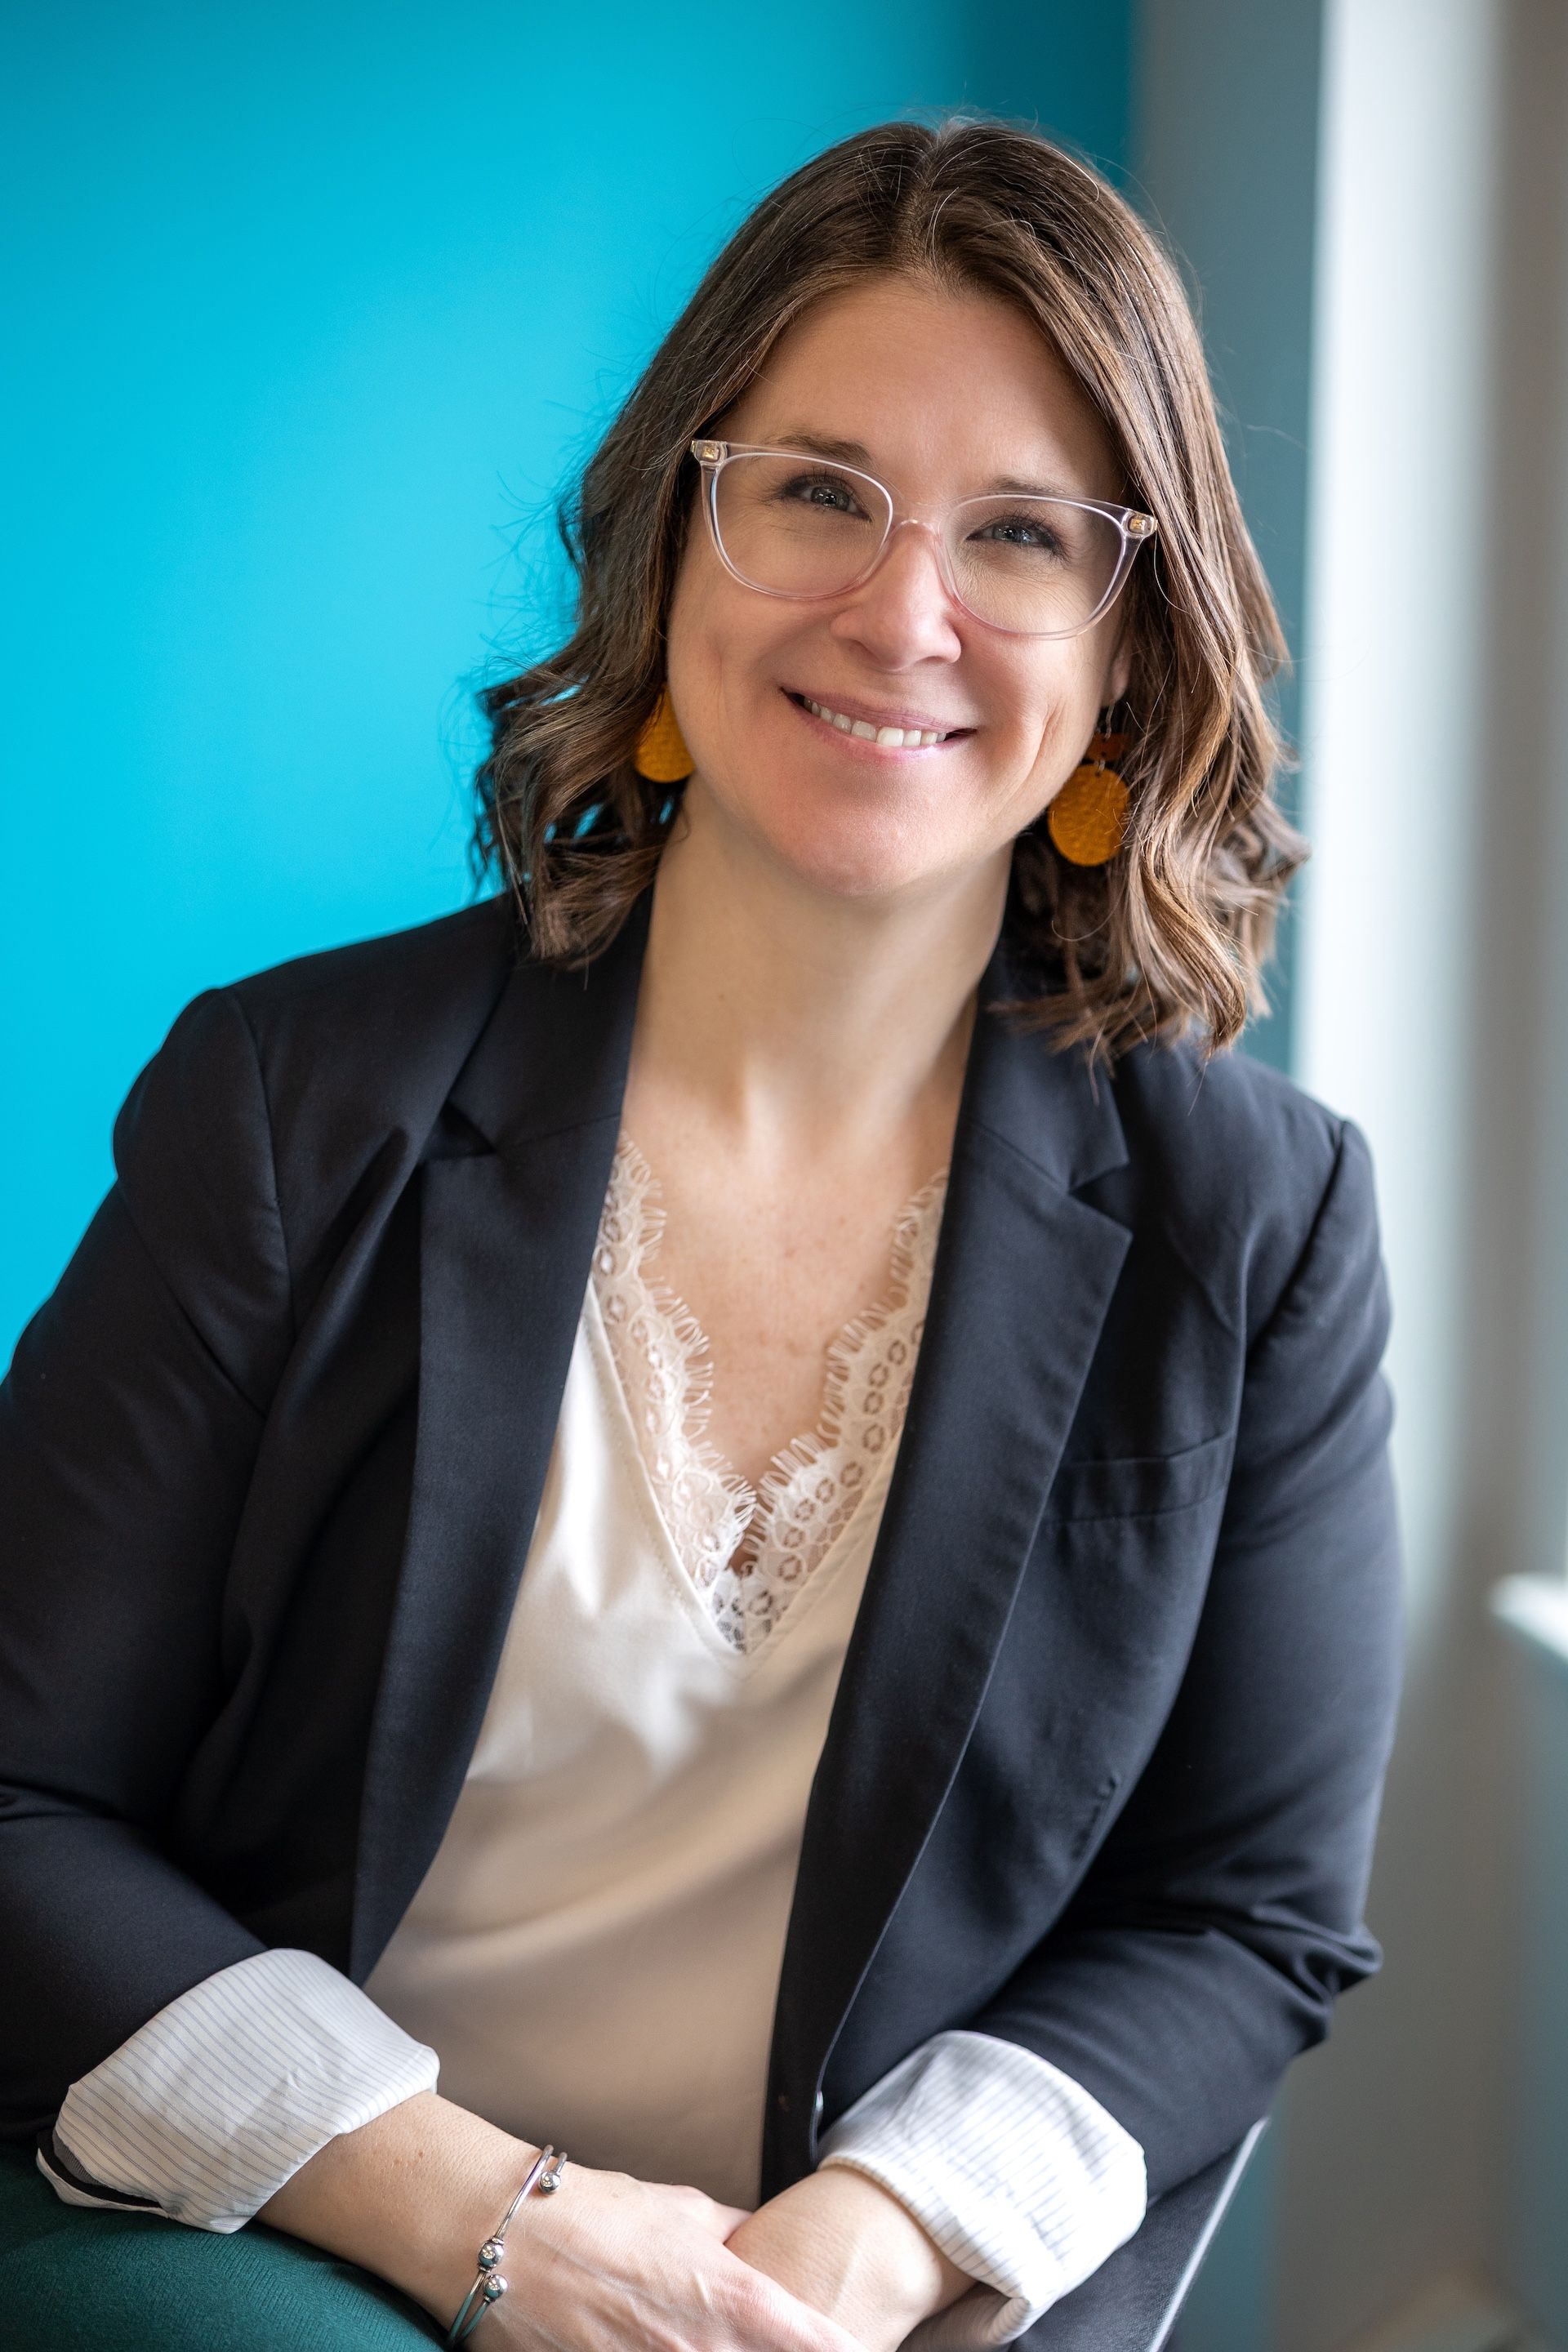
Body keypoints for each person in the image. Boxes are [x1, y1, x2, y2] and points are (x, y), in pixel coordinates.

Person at [0, 117, 1403, 2350]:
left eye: (1023, 534)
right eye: (820, 490)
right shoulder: (295, 1104)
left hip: (847, 2292)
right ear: (678, 542)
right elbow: (23, 1795)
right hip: (292, 2238)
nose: (903, 612)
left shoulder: (1268, 1219)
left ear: (1129, 662)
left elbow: (1246, 1912)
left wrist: (844, 2257)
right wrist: (494, 2220)